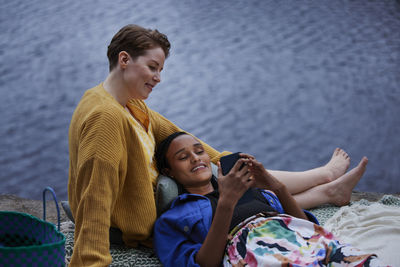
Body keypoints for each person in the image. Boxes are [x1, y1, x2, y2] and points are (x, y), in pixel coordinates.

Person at [68, 24, 368, 266]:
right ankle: (326, 181)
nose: (158, 78)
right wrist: (91, 262)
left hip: (165, 193)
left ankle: (326, 184)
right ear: (124, 60)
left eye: (160, 70)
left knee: (243, 193)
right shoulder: (105, 117)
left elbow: (190, 142)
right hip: (138, 220)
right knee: (223, 206)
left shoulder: (131, 106)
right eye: (152, 67)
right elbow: (96, 195)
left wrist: (232, 164)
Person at [153, 132, 383, 267]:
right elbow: (205, 264)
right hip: (257, 251)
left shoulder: (248, 190)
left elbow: (304, 226)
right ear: (169, 171)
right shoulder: (174, 217)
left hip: (302, 239)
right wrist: (226, 202)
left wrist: (275, 186)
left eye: (199, 151)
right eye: (183, 157)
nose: (195, 158)